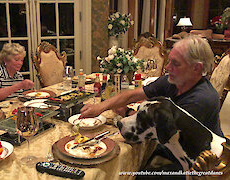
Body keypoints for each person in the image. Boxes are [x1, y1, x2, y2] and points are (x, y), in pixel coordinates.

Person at [80, 36, 224, 179]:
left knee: (135, 173)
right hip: (174, 148)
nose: (167, 68)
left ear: (196, 68)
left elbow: (158, 131)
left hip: (201, 167)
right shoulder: (175, 80)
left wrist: (128, 112)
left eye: (175, 63)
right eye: (168, 61)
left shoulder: (201, 100)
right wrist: (99, 107)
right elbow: (132, 95)